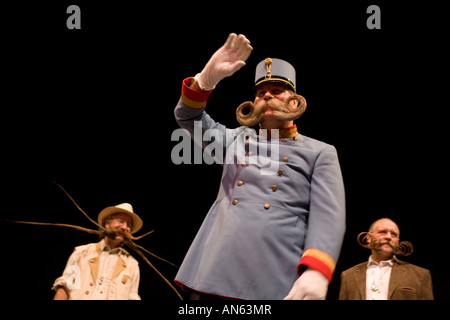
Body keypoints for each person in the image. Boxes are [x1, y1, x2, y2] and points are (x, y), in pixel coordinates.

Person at [173, 33, 346, 299]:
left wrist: (317, 269)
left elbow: (328, 216)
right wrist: (205, 80)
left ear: (294, 99)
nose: (267, 96)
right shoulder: (236, 140)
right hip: (218, 267)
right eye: (260, 92)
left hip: (275, 272)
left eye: (276, 91)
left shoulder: (319, 152)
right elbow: (188, 116)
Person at [52, 203, 143, 300]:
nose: (124, 227)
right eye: (121, 221)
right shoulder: (82, 253)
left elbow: (132, 297)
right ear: (107, 223)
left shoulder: (132, 265)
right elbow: (66, 286)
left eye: (129, 225)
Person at [339, 218, 434, 300]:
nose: (388, 237)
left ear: (397, 241)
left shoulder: (420, 275)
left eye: (393, 234)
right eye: (382, 232)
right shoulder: (348, 276)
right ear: (369, 237)